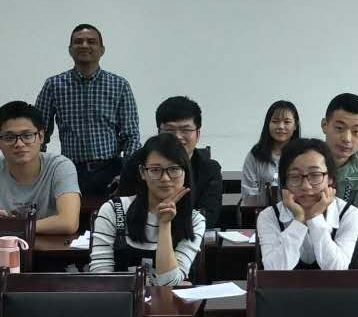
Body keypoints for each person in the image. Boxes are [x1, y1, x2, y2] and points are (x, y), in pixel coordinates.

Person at [34, 22, 140, 196]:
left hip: (112, 170)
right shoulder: (54, 85)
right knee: (72, 214)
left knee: (112, 213)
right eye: (78, 41)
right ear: (70, 50)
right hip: (70, 170)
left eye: (91, 41)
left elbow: (131, 135)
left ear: (102, 50)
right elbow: (39, 133)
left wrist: (127, 174)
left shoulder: (119, 85)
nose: (84, 45)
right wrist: (37, 172)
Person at [88, 133, 206, 287]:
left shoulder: (194, 220)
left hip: (169, 303)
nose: (165, 178)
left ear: (185, 172)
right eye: (155, 170)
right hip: (121, 300)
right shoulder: (113, 210)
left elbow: (168, 283)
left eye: (174, 169)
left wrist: (165, 224)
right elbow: (101, 278)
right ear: (143, 172)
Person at [0, 101, 81, 235]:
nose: (19, 144)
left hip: (49, 247)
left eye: (27, 136)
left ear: (41, 137)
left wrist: (10, 226)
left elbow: (68, 222)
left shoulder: (60, 167)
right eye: (9, 137)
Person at [257, 137, 358, 270]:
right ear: (284, 182)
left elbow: (337, 269)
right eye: (295, 176)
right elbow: (273, 270)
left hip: (336, 285)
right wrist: (299, 221)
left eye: (315, 175)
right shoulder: (269, 216)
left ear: (330, 178)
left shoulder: (348, 214)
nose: (306, 186)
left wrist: (315, 217)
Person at [156, 95, 222, 230]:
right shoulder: (139, 165)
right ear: (159, 133)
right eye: (170, 130)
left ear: (198, 134)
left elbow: (208, 217)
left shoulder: (210, 169)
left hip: (191, 236)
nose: (178, 137)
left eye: (186, 130)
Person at [322, 92, 358, 226]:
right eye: (339, 128)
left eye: (356, 132)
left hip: (351, 235)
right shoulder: (305, 160)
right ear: (324, 125)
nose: (347, 139)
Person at [241, 100, 299, 197]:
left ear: (295, 126)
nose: (281, 126)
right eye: (275, 122)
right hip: (260, 206)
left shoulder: (303, 154)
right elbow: (248, 192)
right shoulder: (256, 154)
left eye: (287, 122)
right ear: (268, 124)